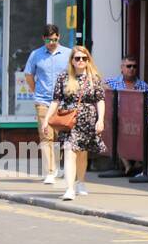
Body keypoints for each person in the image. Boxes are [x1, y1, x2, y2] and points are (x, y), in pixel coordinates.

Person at [43, 46, 105, 201]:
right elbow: (56, 100)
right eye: (77, 58)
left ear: (88, 60)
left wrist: (101, 119)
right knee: (70, 150)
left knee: (82, 153)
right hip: (69, 120)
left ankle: (81, 182)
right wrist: (46, 120)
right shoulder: (63, 77)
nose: (81, 61)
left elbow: (100, 100)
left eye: (84, 58)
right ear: (72, 60)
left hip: (88, 119)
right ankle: (69, 189)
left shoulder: (94, 78)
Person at [23, 24, 70, 185]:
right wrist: (35, 90)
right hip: (43, 101)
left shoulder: (68, 54)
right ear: (43, 38)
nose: (52, 42)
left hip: (63, 102)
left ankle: (57, 165)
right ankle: (50, 171)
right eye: (49, 39)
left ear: (59, 37)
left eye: (55, 39)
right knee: (46, 135)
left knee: (60, 137)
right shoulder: (36, 55)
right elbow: (29, 75)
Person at [107, 56, 148, 175]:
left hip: (138, 121)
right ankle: (127, 164)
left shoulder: (143, 86)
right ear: (122, 68)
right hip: (119, 120)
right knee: (114, 128)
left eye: (134, 66)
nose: (132, 69)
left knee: (146, 132)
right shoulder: (112, 83)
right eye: (129, 66)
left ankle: (142, 166)